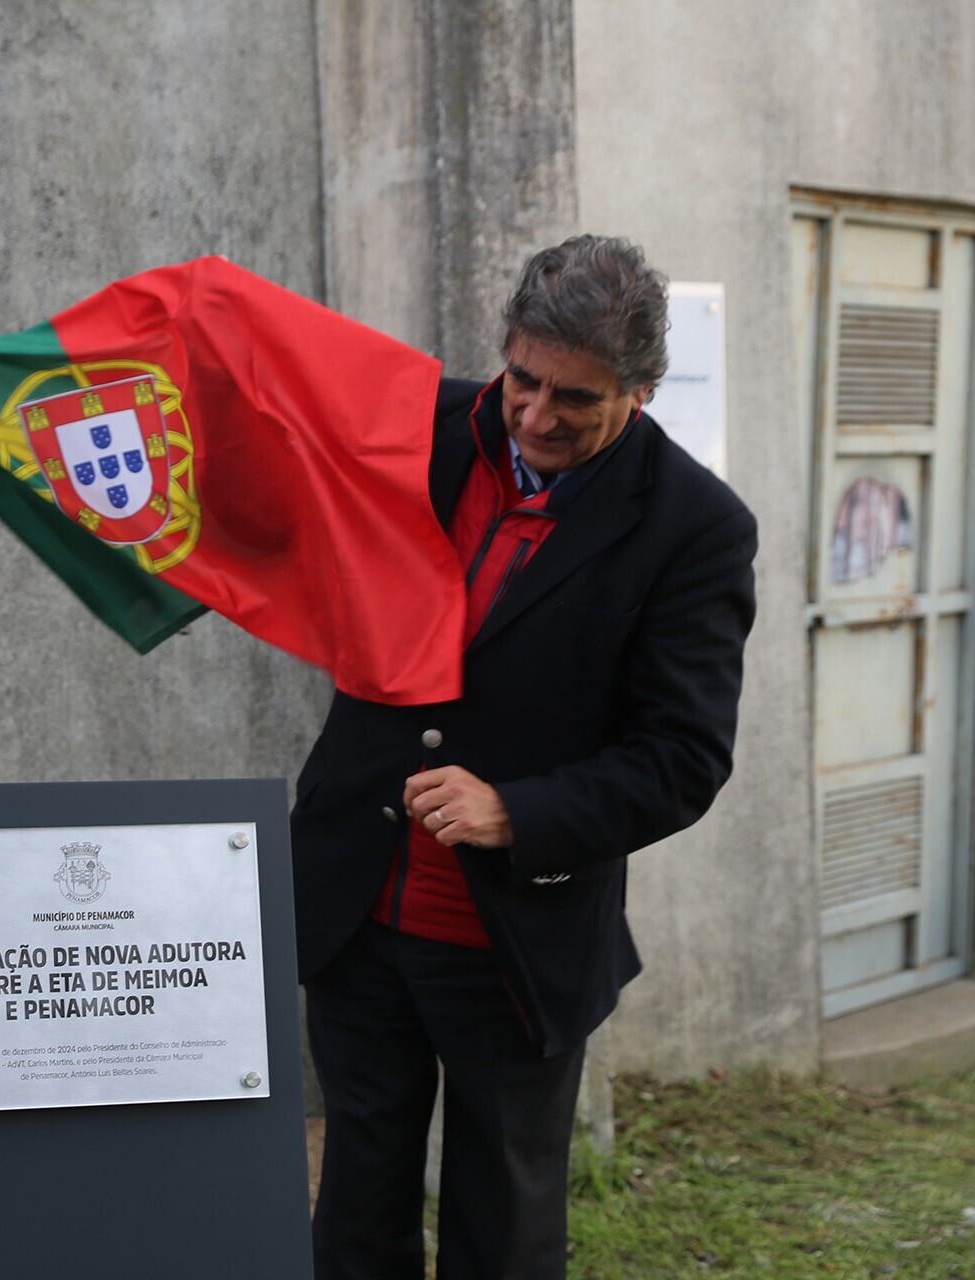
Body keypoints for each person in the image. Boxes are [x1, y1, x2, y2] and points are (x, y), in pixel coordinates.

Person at [292, 235, 757, 1279]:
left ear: (640, 391)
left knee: (503, 1217)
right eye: (524, 380)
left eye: (576, 400)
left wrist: (518, 808)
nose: (538, 416)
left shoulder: (697, 528)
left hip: (514, 936)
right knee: (357, 1198)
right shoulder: (419, 422)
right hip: (352, 899)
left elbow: (685, 754)